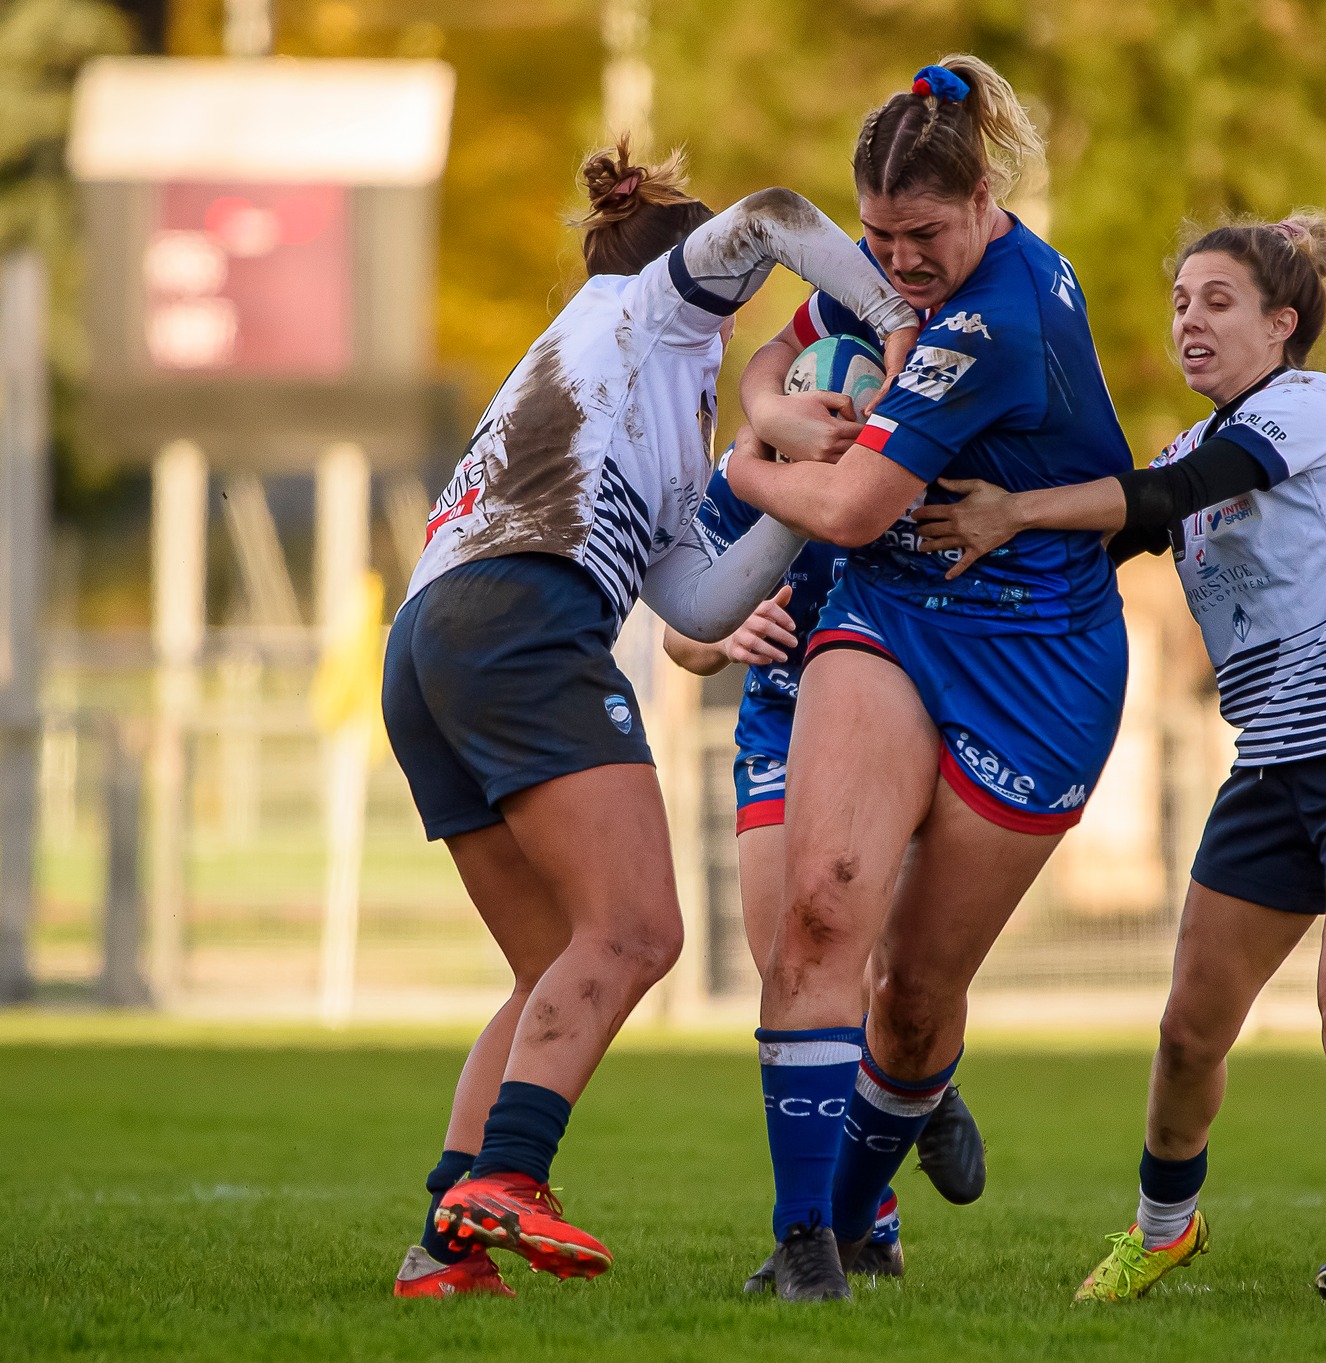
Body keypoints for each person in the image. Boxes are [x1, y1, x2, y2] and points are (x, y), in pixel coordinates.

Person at [383, 139, 919, 1299]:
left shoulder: (630, 398)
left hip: (430, 637)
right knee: (638, 934)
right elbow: (775, 213)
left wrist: (798, 488)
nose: (734, 325)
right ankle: (513, 1176)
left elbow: (698, 599)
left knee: (552, 969)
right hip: (524, 616)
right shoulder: (647, 308)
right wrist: (894, 327)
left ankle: (446, 1244)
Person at [915, 213, 1326, 1312]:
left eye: (1217, 302)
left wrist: (1012, 508)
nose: (1189, 320)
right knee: (1185, 1032)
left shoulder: (1303, 409)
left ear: (1282, 323)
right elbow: (1097, 535)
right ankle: (1164, 1230)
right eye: (1180, 303)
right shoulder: (1180, 450)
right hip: (1268, 774)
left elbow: (1161, 501)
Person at [717, 56, 1134, 1302]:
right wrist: (775, 416)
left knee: (913, 998)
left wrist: (746, 470)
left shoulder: (996, 323)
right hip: (894, 617)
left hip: (1041, 660)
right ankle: (803, 1243)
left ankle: (853, 1213)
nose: (894, 262)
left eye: (923, 237)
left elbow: (844, 507)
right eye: (877, 234)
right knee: (822, 907)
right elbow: (768, 359)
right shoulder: (881, 265)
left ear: (985, 202)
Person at [664, 449, 989, 1289]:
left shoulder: (917, 469)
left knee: (875, 964)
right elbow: (680, 632)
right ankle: (875, 1210)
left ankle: (908, 1089)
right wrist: (723, 631)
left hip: (894, 734)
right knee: (789, 963)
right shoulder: (748, 482)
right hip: (779, 729)